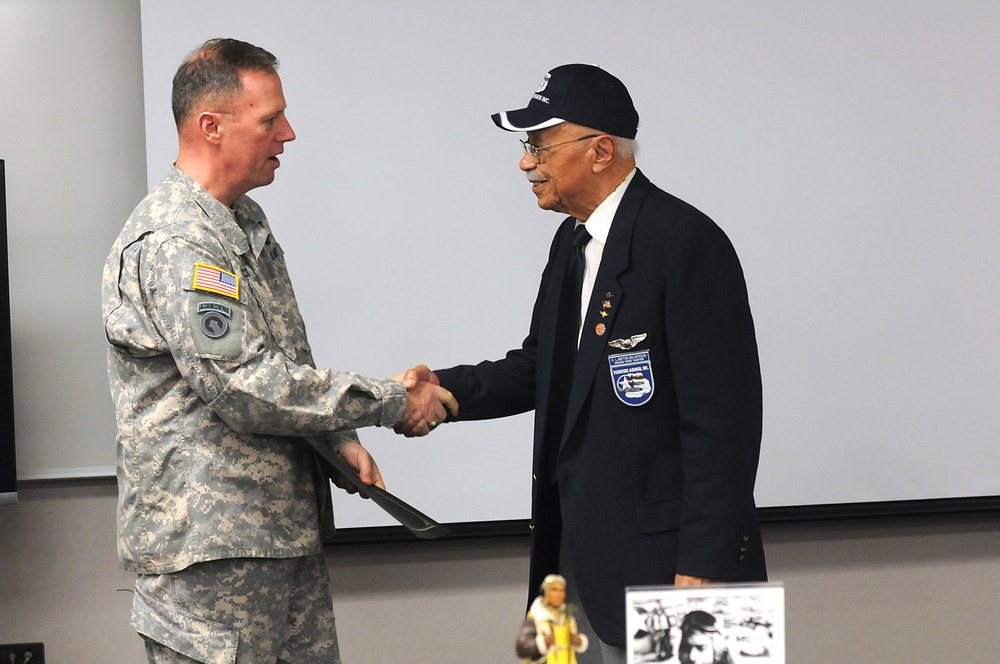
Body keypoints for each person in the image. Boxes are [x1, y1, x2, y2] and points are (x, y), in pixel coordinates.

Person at [102, 38, 455, 663]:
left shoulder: (245, 220)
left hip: (279, 536)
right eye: (270, 120)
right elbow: (244, 385)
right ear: (211, 127)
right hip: (208, 555)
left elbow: (283, 362)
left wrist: (335, 439)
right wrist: (391, 400)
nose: (288, 134)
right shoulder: (176, 240)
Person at [413, 63, 767, 663]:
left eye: (539, 145)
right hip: (573, 565)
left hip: (678, 572)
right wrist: (441, 391)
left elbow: (724, 425)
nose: (526, 162)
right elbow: (541, 369)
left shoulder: (685, 240)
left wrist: (704, 568)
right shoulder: (572, 242)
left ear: (601, 150)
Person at [516, 574, 589, 664]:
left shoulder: (567, 616)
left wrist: (579, 641)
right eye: (554, 590)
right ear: (545, 592)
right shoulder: (536, 616)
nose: (558, 595)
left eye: (561, 590)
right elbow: (521, 647)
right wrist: (543, 642)